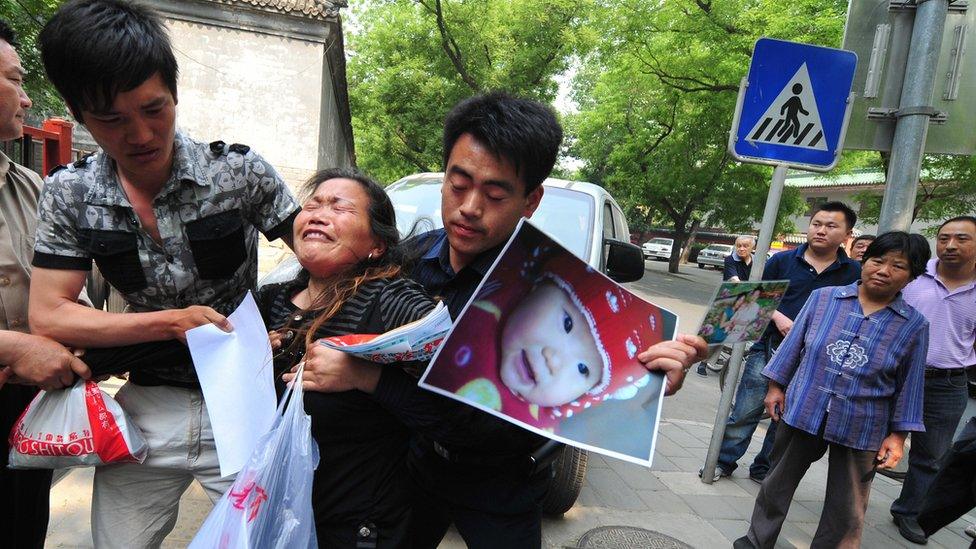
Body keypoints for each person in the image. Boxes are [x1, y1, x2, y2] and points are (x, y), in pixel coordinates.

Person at [289, 92, 709, 549]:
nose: (469, 207)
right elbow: (342, 309)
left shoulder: (548, 292)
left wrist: (645, 379)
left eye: (494, 193)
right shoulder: (406, 261)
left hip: (502, 482)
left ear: (530, 201)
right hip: (410, 471)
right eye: (458, 183)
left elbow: (486, 423)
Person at [28, 2, 300, 547]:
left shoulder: (238, 172)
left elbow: (324, 260)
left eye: (155, 109)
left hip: (243, 402)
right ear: (78, 113)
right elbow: (48, 313)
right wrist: (168, 324)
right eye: (112, 119)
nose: (141, 134)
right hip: (145, 409)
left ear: (174, 94)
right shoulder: (70, 193)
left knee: (264, 540)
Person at [260, 168, 437, 547]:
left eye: (340, 208)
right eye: (313, 205)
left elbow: (452, 410)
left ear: (376, 244)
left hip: (357, 528)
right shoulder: (269, 301)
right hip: (274, 512)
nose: (319, 214)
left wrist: (366, 377)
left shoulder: (391, 302)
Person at [734, 231, 930, 548]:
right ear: (864, 261)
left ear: (911, 277)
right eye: (878, 260)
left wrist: (897, 436)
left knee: (848, 505)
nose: (884, 270)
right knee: (777, 483)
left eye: (898, 266)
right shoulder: (824, 298)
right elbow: (792, 347)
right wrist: (775, 387)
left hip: (863, 422)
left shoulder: (914, 325)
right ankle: (756, 541)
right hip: (804, 407)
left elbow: (911, 383)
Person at [0, 20, 94, 549]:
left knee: (20, 530)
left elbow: (60, 290)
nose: (28, 96)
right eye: (15, 79)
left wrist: (80, 328)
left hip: (25, 411)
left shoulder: (32, 186)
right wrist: (13, 344)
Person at [423, 241, 669, 431]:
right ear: (537, 288)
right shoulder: (491, 284)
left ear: (583, 398)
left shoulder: (540, 429)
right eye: (567, 322)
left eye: (583, 369)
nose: (554, 360)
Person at [704, 202, 861, 483]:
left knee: (785, 417)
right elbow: (749, 298)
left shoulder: (853, 272)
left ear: (847, 234)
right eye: (816, 224)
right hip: (769, 349)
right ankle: (724, 461)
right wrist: (778, 317)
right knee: (745, 409)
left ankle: (764, 468)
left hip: (815, 360)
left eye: (831, 226)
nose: (821, 231)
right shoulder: (782, 262)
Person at [890, 215, 976, 545]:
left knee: (931, 456)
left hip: (948, 383)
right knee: (870, 444)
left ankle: (909, 512)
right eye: (944, 238)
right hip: (896, 374)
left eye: (962, 239)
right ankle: (852, 501)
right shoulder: (913, 275)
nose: (950, 245)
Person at [698, 235, 756, 377]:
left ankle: (731, 364)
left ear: (752, 248)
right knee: (717, 334)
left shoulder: (758, 262)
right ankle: (703, 363)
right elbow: (734, 280)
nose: (741, 249)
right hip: (728, 299)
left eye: (745, 246)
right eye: (739, 245)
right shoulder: (731, 259)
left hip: (747, 302)